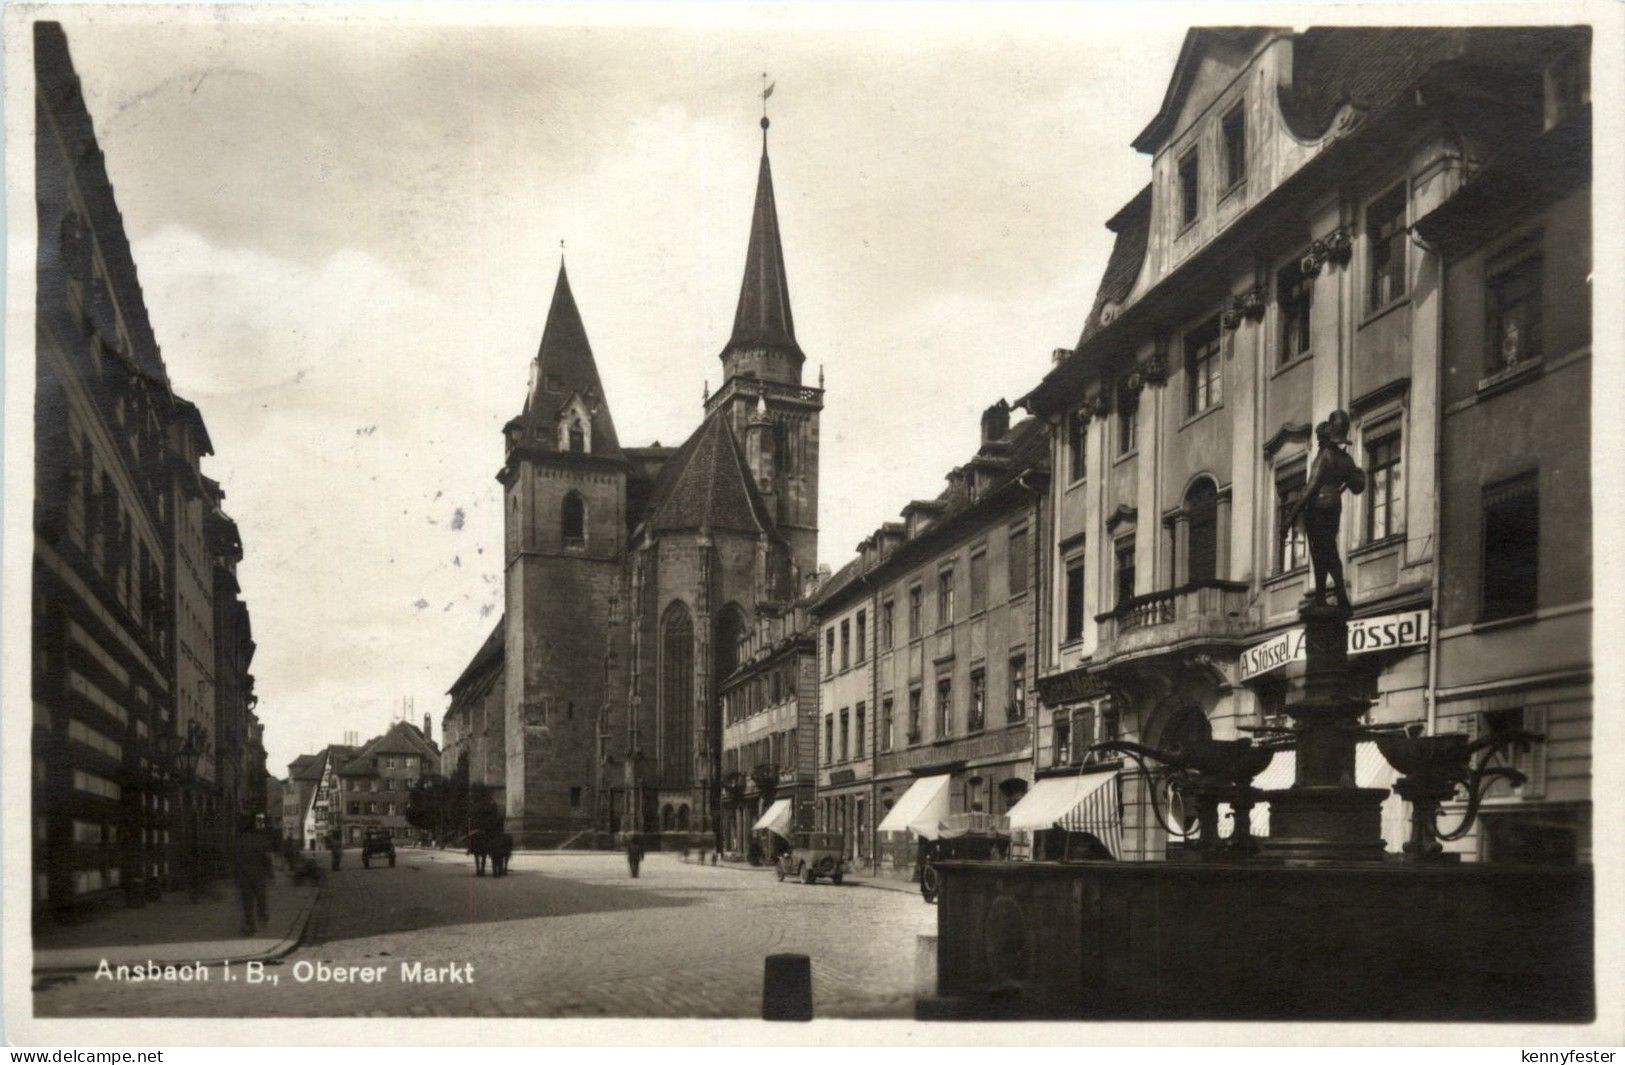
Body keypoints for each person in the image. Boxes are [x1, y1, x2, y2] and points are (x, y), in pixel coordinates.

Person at [1284, 410, 1367, 609]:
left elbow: (1310, 489)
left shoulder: (1324, 457)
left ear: (1326, 436)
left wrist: (1289, 518)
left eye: (1320, 439)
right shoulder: (1346, 461)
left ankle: (1340, 595)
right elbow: (1357, 485)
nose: (1319, 443)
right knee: (1325, 551)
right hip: (1334, 509)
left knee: (1324, 553)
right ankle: (1322, 597)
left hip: (1318, 509)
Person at [233, 816, 275, 936]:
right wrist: (270, 872)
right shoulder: (261, 839)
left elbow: (236, 859)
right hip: (259, 874)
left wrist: (236, 876)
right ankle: (263, 916)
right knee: (261, 897)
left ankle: (250, 926)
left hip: (244, 875)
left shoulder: (239, 841)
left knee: (247, 901)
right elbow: (267, 857)